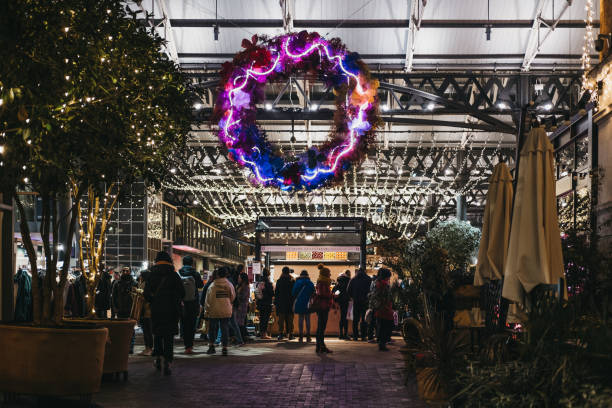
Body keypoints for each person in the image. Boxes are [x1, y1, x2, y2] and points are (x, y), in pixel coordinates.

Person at [144, 251, 184, 376]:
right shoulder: (174, 275)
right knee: (168, 336)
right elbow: (182, 293)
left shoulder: (151, 276)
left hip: (157, 310)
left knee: (158, 334)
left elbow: (146, 294)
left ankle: (158, 358)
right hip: (171, 310)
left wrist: (153, 301)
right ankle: (168, 360)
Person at [204, 267, 236, 356]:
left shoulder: (212, 286)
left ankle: (211, 346)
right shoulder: (229, 285)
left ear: (217, 274)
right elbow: (233, 297)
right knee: (224, 328)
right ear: (226, 274)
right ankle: (224, 348)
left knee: (212, 329)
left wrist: (207, 310)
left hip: (214, 309)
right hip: (226, 309)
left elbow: (208, 299)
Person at [178, 255, 204, 354]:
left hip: (182, 303)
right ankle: (190, 346)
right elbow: (201, 285)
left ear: (183, 263)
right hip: (193, 301)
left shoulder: (179, 272)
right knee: (192, 324)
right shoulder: (195, 273)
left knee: (184, 323)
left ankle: (186, 345)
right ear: (192, 263)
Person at [371, 268, 394, 351]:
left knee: (381, 326)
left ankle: (381, 343)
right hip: (384, 309)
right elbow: (387, 297)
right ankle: (382, 344)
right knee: (385, 326)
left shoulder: (376, 283)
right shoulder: (384, 285)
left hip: (379, 308)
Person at [347, 268, 372, 341]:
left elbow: (348, 290)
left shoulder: (353, 279)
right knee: (364, 319)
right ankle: (363, 336)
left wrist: (353, 297)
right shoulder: (368, 279)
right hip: (365, 301)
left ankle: (355, 336)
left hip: (356, 301)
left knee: (355, 319)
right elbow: (371, 290)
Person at [314, 264, 333, 354]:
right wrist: (332, 295)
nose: (330, 274)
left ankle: (320, 346)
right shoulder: (322, 283)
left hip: (322, 306)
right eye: (329, 273)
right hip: (323, 307)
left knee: (321, 327)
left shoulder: (322, 282)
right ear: (325, 274)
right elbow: (322, 294)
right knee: (321, 327)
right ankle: (320, 346)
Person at [292, 270, 315, 343]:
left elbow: (293, 292)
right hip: (308, 303)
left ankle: (300, 336)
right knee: (308, 319)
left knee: (300, 318)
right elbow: (313, 292)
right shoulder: (310, 283)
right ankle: (308, 336)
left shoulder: (297, 282)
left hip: (299, 302)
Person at [274, 266, 295, 340]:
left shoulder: (279, 281)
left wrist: (276, 302)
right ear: (288, 272)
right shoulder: (292, 281)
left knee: (281, 320)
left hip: (281, 303)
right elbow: (294, 293)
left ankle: (280, 334)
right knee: (290, 320)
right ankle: (290, 334)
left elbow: (276, 293)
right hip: (290, 303)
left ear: (282, 272)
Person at [138, 270, 154, 356]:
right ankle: (148, 348)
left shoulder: (145, 284)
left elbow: (144, 296)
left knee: (147, 330)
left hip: (146, 310)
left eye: (141, 275)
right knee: (148, 330)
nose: (139, 277)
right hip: (147, 310)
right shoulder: (149, 283)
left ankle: (149, 348)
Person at [255, 268, 274, 339]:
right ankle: (264, 334)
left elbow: (256, 291)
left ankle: (261, 333)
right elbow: (271, 293)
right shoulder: (268, 283)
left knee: (261, 318)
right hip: (267, 303)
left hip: (260, 303)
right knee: (265, 319)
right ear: (268, 274)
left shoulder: (259, 282)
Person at [333, 270, 351, 340]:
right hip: (346, 301)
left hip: (340, 302)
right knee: (345, 318)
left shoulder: (338, 284)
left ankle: (341, 334)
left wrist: (337, 296)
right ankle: (345, 334)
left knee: (342, 318)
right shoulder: (348, 283)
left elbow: (334, 292)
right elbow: (350, 291)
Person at [234, 272, 251, 342]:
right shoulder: (239, 286)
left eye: (239, 278)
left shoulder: (246, 287)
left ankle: (241, 337)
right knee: (238, 322)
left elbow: (243, 297)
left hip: (242, 306)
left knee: (240, 322)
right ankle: (240, 337)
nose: (238, 279)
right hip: (238, 306)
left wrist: (237, 294)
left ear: (242, 279)